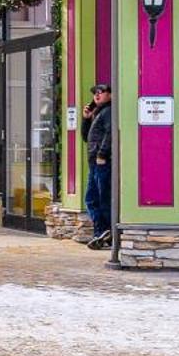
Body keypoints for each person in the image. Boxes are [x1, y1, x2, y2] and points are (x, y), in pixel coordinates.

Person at [80, 83, 113, 249]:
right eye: (95, 93)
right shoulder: (99, 113)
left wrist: (102, 154)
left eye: (101, 92)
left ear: (110, 95)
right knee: (94, 199)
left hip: (101, 163)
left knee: (99, 199)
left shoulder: (108, 112)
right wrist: (86, 119)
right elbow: (86, 137)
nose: (97, 95)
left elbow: (111, 133)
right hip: (95, 163)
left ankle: (105, 231)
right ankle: (102, 232)